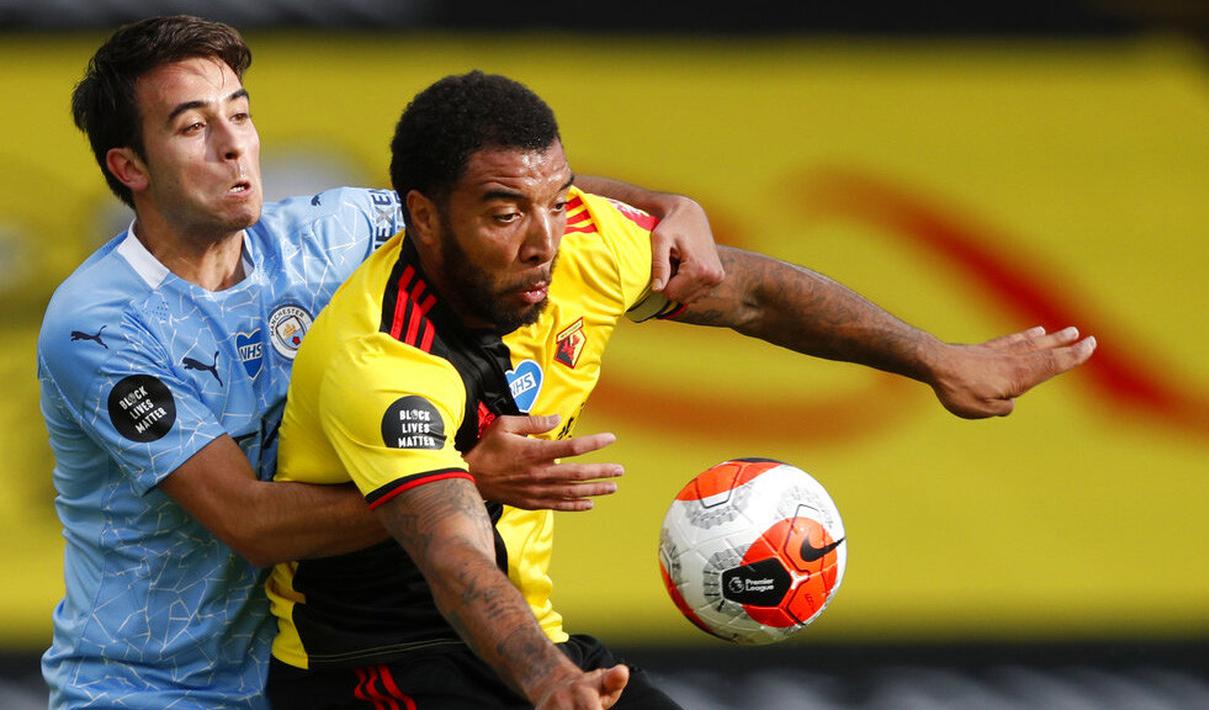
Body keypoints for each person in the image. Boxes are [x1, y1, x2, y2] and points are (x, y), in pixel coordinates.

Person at [266, 71, 1097, 708]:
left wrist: (937, 359)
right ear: (421, 216)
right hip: (377, 667)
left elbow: (751, 294)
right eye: (503, 212)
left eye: (555, 203)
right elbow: (451, 560)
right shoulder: (381, 360)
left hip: (521, 641)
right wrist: (548, 683)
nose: (544, 241)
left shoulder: (579, 250)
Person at [37, 16, 723, 709]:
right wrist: (463, 476)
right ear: (129, 167)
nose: (233, 145)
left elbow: (484, 190)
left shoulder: (328, 235)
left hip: (298, 670)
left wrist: (664, 206)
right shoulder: (100, 324)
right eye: (192, 128)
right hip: (148, 689)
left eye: (239, 114)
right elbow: (249, 522)